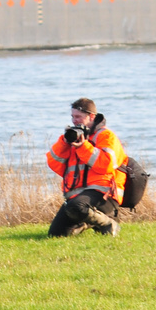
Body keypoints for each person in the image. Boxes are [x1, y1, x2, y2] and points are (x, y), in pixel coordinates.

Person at [46, 97, 126, 237]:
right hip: (78, 197)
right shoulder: (73, 137)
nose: (74, 121)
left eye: (78, 117)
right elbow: (54, 164)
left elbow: (105, 165)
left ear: (92, 116)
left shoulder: (106, 136)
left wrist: (83, 147)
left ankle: (108, 223)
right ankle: (90, 221)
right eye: (72, 117)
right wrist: (64, 142)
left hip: (104, 195)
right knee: (56, 234)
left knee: (76, 206)